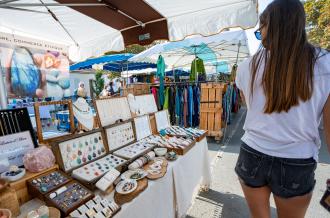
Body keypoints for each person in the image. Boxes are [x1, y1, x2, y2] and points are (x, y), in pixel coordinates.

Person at [234, 0, 330, 218]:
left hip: (252, 153)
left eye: (262, 27)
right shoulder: (325, 64)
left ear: (275, 25)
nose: (260, 33)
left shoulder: (247, 66)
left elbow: (248, 104)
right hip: (297, 159)